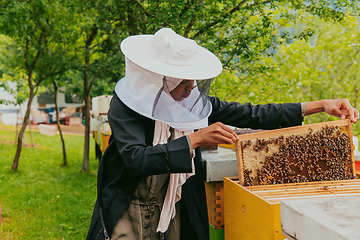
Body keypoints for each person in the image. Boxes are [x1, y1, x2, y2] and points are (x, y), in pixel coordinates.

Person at [86, 28, 359, 240]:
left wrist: (321, 106)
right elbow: (136, 159)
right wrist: (195, 139)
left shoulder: (193, 103)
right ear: (159, 78)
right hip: (128, 203)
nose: (192, 87)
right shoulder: (125, 106)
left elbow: (253, 114)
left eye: (193, 78)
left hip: (173, 204)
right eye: (183, 80)